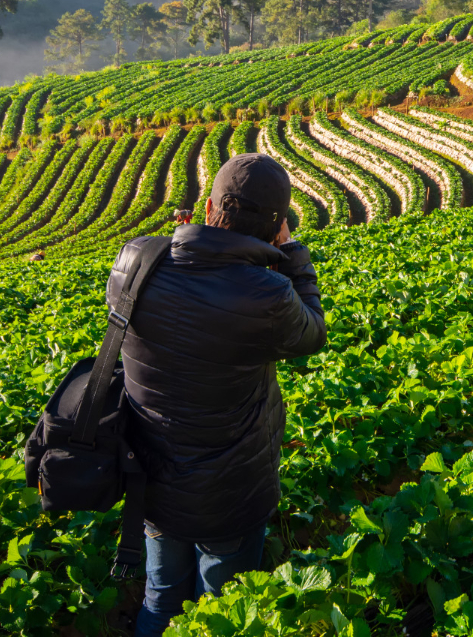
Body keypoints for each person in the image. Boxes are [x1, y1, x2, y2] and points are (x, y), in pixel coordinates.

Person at [123, 153, 326, 637]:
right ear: (276, 225)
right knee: (224, 612)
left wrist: (186, 237)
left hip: (153, 477)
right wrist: (292, 253)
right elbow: (312, 334)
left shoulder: (135, 258)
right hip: (230, 491)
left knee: (161, 600)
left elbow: (176, 286)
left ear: (209, 206)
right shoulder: (266, 294)